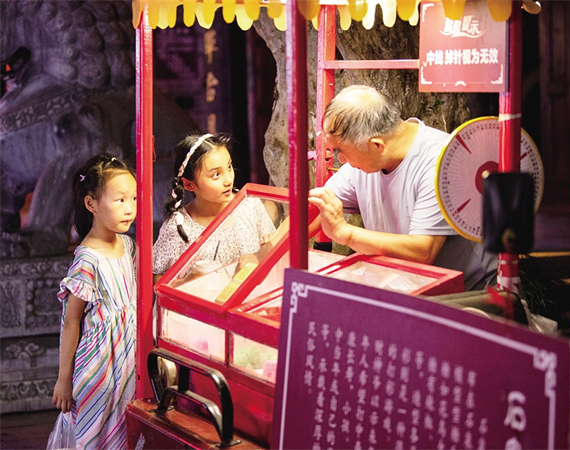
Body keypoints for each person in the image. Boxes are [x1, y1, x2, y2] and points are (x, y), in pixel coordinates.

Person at [308, 85, 496, 291]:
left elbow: (423, 251)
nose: (341, 159)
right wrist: (279, 250)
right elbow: (316, 209)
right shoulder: (365, 158)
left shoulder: (441, 162)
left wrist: (345, 233)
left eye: (341, 151)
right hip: (409, 288)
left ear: (377, 145)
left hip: (469, 294)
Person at [52, 154, 137, 449]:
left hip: (128, 358)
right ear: (92, 204)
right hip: (98, 366)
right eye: (120, 200)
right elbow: (71, 322)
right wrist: (64, 379)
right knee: (96, 437)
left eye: (133, 198)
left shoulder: (128, 245)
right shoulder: (87, 260)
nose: (130, 208)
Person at [153, 132, 279, 283]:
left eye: (229, 167)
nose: (228, 180)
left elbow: (270, 249)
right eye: (216, 175)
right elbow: (157, 276)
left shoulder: (250, 206)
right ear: (189, 184)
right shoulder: (178, 227)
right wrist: (185, 282)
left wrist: (267, 243)